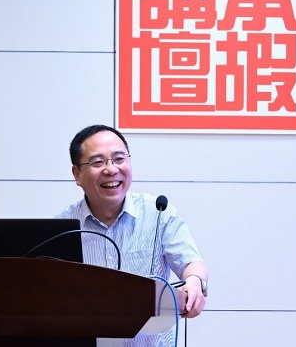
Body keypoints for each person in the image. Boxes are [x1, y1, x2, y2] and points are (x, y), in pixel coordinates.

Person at [57, 124, 208, 347]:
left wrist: (195, 282)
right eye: (98, 162)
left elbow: (191, 263)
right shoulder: (63, 228)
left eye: (119, 159)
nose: (111, 169)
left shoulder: (158, 213)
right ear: (77, 174)